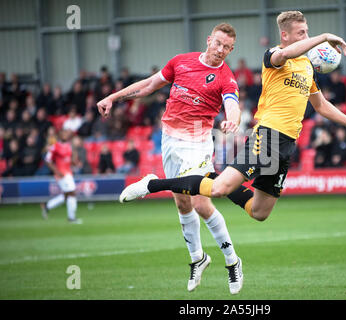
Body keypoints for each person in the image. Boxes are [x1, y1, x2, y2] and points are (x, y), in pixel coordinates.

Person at [117, 10, 346, 285]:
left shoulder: (307, 67)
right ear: (285, 35)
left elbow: (321, 105)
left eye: (309, 32)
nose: (308, 37)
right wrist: (324, 37)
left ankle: (216, 178)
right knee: (217, 191)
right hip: (268, 136)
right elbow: (282, 57)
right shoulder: (274, 56)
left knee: (259, 212)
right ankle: (153, 185)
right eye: (302, 33)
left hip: (286, 145)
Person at [97, 23, 244, 294]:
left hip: (198, 141)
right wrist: (114, 97)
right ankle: (198, 259)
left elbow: (232, 104)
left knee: (201, 203)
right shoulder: (181, 61)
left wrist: (233, 121)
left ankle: (232, 261)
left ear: (231, 49)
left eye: (227, 47)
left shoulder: (225, 77)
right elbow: (150, 85)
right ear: (209, 39)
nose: (220, 50)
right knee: (182, 202)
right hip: (170, 140)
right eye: (218, 43)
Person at [40, 129, 81, 224]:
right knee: (72, 193)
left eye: (66, 133)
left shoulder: (69, 146)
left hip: (68, 173)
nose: (65, 135)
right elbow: (47, 160)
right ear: (60, 135)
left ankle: (47, 206)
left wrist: (75, 158)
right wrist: (56, 171)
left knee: (67, 195)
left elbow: (72, 161)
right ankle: (71, 218)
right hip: (61, 174)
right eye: (63, 133)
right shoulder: (55, 146)